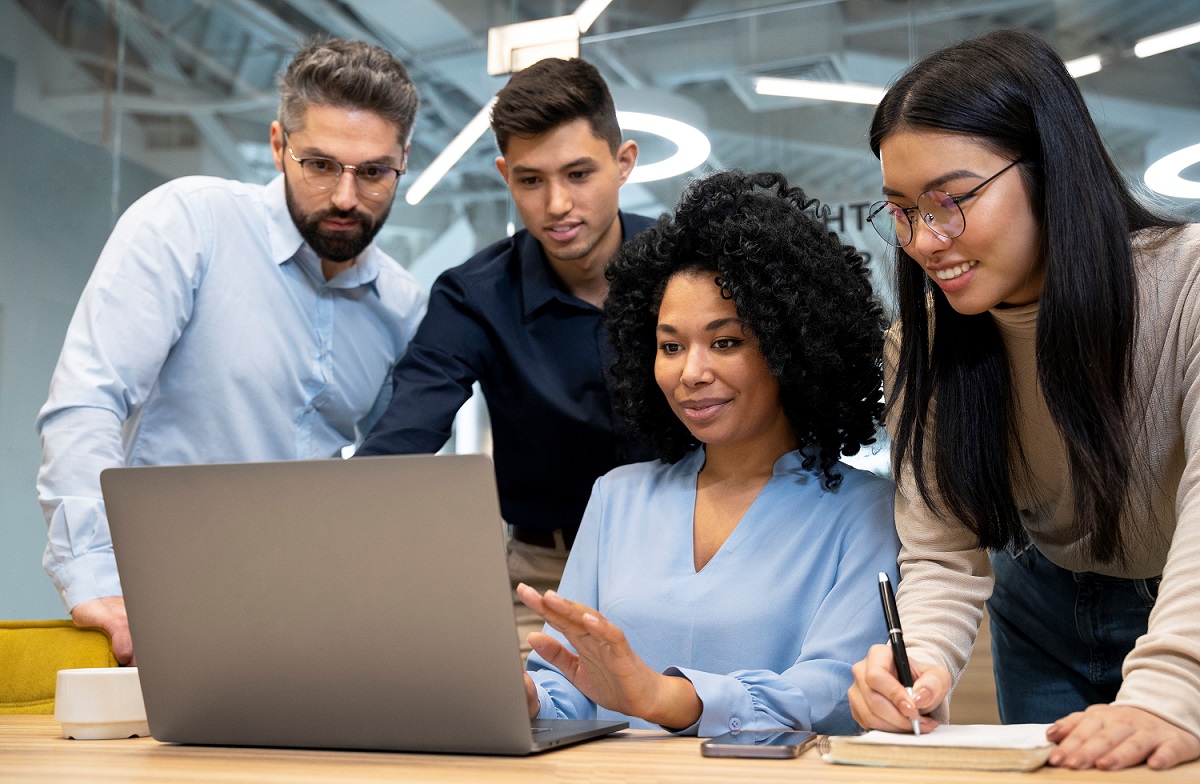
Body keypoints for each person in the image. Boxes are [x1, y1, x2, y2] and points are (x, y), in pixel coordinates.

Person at [846, 28, 1200, 771]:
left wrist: (1171, 687)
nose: (925, 239)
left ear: (1050, 168)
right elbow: (942, 552)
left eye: (950, 200)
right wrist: (919, 669)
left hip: (1184, 605)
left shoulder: (1187, 287)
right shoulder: (924, 342)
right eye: (903, 210)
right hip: (1040, 608)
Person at [36, 37, 426, 665]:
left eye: (373, 171)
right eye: (320, 165)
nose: (346, 197)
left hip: (310, 620)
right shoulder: (190, 224)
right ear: (279, 146)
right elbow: (87, 402)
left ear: (403, 160)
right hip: (155, 606)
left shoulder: (402, 307)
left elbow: (379, 485)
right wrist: (97, 580)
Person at [517, 170, 900, 735]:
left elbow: (834, 694)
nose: (691, 372)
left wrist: (668, 698)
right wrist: (524, 697)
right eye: (670, 345)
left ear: (792, 347)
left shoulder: (864, 511)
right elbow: (567, 683)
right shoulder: (617, 497)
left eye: (726, 342)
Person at [355, 57, 653, 652]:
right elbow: (402, 440)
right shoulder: (475, 296)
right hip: (544, 581)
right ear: (504, 174)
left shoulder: (693, 267)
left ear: (624, 164)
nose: (557, 204)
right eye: (531, 180)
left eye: (578, 174)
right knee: (515, 723)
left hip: (690, 562)